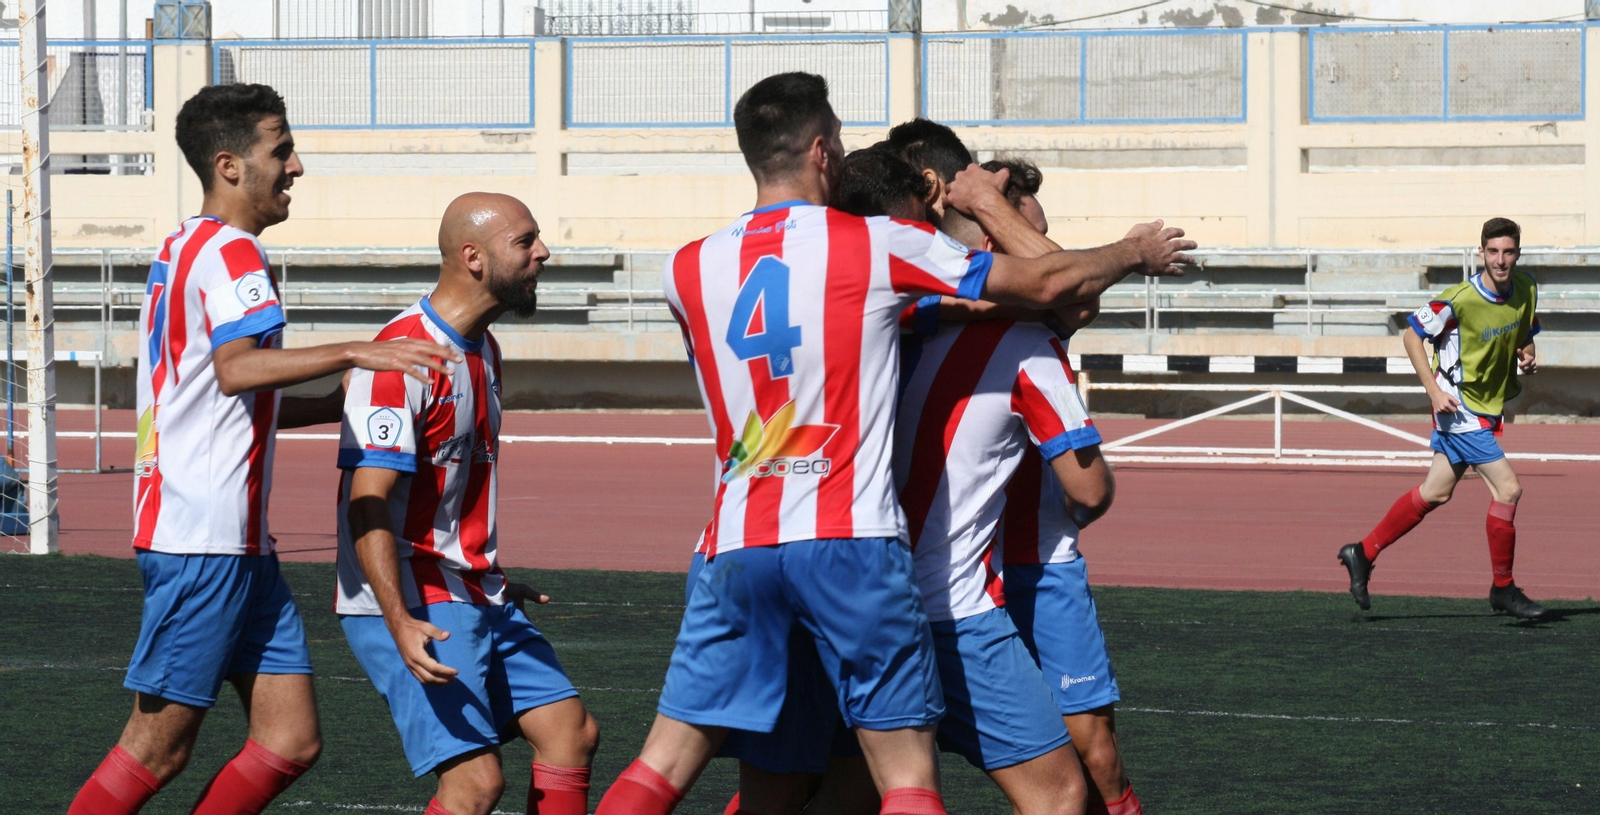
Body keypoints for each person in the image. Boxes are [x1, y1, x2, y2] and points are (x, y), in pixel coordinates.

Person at [594, 73, 1194, 815]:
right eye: (838, 140)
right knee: (906, 778)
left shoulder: (684, 269)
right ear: (821, 151)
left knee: (673, 763)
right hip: (850, 540)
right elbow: (1046, 288)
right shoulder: (880, 247)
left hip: (734, 541)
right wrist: (1130, 250)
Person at [69, 83, 459, 815]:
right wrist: (359, 352)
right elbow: (238, 369)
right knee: (157, 747)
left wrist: (349, 398)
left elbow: (232, 400)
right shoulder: (237, 252)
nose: (297, 167)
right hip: (202, 541)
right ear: (230, 166)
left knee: (290, 740)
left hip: (236, 544)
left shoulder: (185, 245)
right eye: (281, 151)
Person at [337, 193, 600, 815]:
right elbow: (366, 503)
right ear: (473, 257)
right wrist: (396, 618)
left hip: (474, 586)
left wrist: (483, 568)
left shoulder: (484, 349)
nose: (543, 254)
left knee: (571, 734)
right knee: (475, 784)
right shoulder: (401, 357)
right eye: (526, 241)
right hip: (411, 597)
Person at [1338, 217, 1544, 619]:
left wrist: (1528, 352)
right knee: (1508, 490)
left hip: (1487, 408)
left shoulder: (1526, 288)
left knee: (1435, 492)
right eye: (1493, 252)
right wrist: (1434, 392)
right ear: (1481, 252)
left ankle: (1362, 553)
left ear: (1518, 253)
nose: (1501, 260)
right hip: (1459, 409)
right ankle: (1503, 588)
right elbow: (1412, 335)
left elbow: (1524, 329)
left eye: (1509, 252)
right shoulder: (1460, 299)